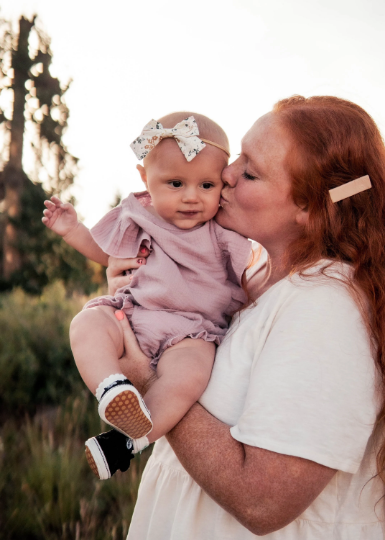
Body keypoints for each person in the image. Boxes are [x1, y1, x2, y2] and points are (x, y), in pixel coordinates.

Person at [106, 96, 385, 539]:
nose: (226, 173)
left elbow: (263, 499)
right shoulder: (253, 285)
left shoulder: (327, 308)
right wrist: (138, 304)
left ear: (310, 208)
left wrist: (148, 378)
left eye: (250, 171)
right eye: (237, 156)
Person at [42, 112, 252, 480]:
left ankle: (124, 445)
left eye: (206, 185)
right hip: (133, 314)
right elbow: (108, 253)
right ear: (145, 178)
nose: (191, 197)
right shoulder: (138, 216)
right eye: (175, 183)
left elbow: (256, 277)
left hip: (191, 332)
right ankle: (112, 387)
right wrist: (72, 230)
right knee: (88, 323)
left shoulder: (222, 231)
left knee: (188, 378)